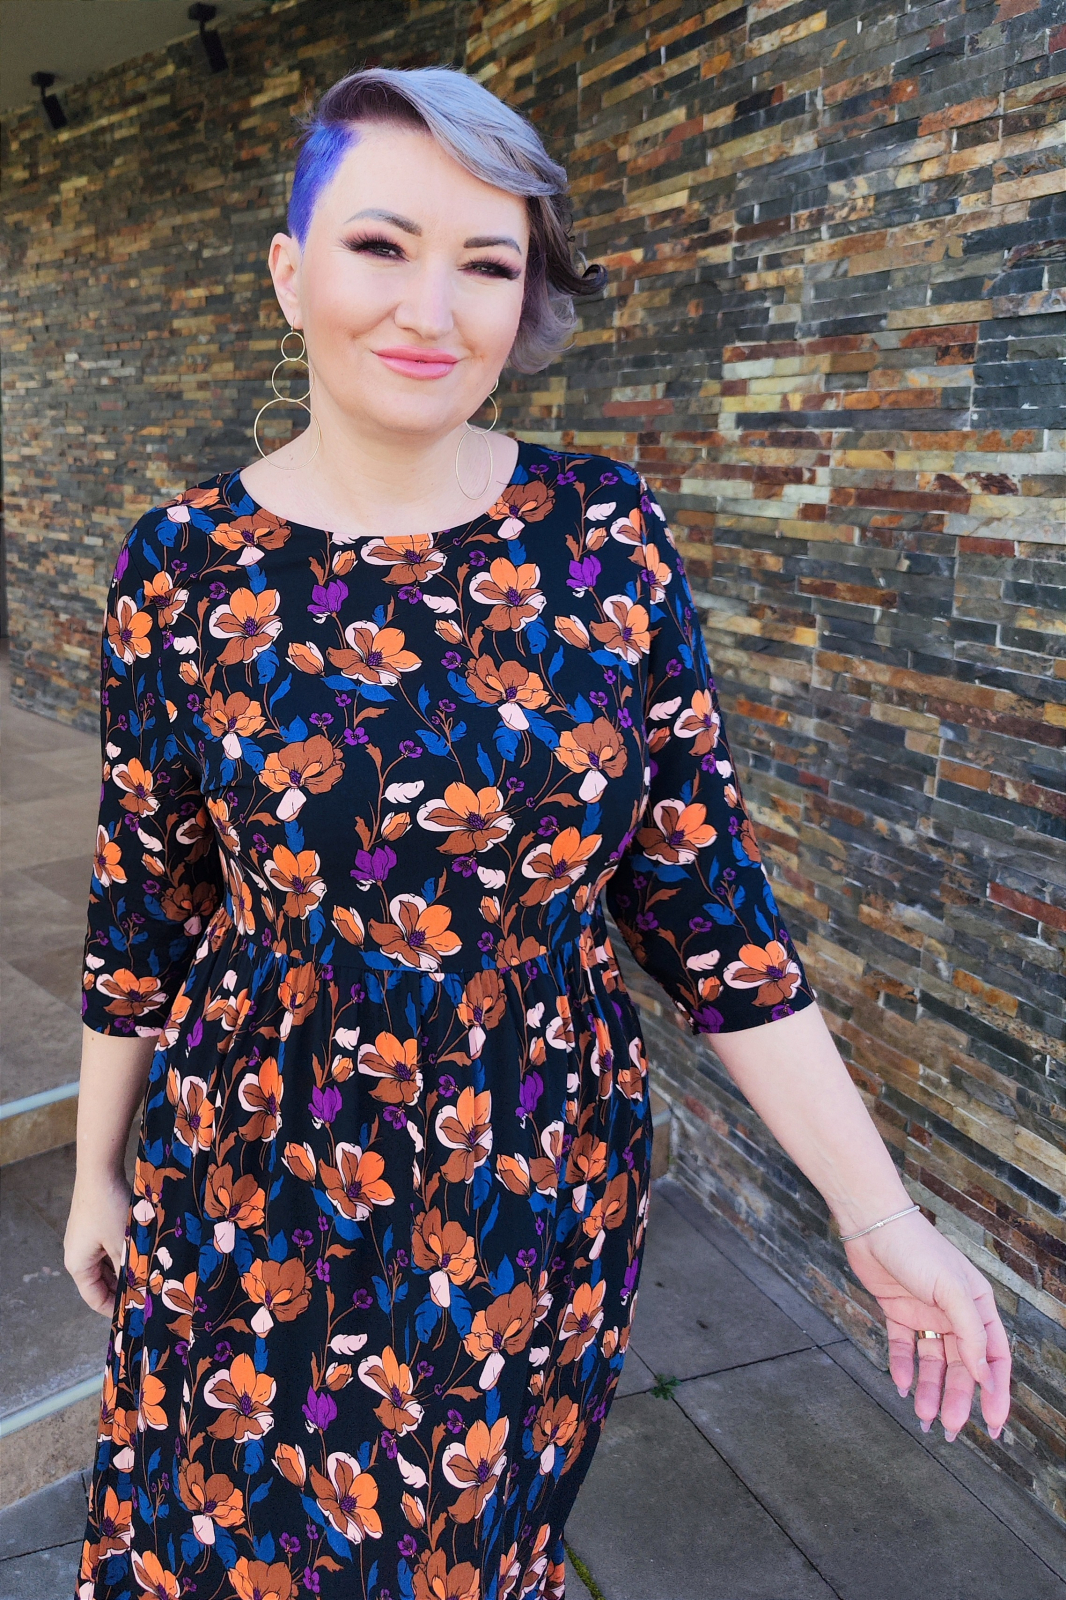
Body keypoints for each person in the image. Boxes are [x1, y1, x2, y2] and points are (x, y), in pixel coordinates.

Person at [64, 65, 1011, 1600]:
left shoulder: (604, 537)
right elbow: (144, 902)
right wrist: (94, 1169)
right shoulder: (180, 565)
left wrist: (876, 1211)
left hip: (530, 1169)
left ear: (526, 299)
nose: (430, 307)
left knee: (465, 1546)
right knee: (222, 1545)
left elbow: (705, 904)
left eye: (487, 263)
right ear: (290, 273)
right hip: (254, 1167)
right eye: (381, 245)